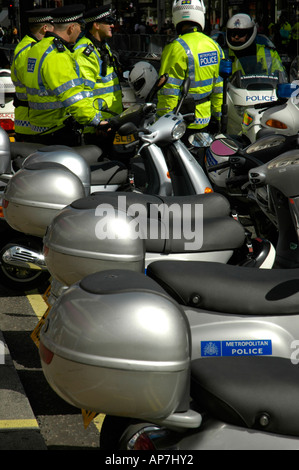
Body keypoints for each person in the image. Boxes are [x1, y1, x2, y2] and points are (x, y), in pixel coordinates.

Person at [22, 4, 104, 146]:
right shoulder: (57, 55)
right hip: (57, 130)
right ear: (71, 27)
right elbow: (72, 96)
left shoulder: (36, 48)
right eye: (80, 28)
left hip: (37, 128)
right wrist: (96, 121)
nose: (80, 33)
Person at [157, 0, 224, 141]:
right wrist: (217, 116)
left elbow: (168, 91)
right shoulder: (214, 46)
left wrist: (161, 121)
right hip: (206, 120)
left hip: (182, 123)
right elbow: (218, 87)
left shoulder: (176, 48)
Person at [73, 5, 123, 150]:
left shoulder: (102, 47)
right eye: (108, 21)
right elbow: (83, 92)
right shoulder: (84, 52)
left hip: (109, 122)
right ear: (96, 25)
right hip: (96, 129)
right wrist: (95, 123)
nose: (112, 25)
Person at [11, 9, 54, 141]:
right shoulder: (29, 50)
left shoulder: (30, 47)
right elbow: (32, 84)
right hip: (30, 124)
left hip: (31, 121)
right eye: (54, 27)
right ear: (45, 28)